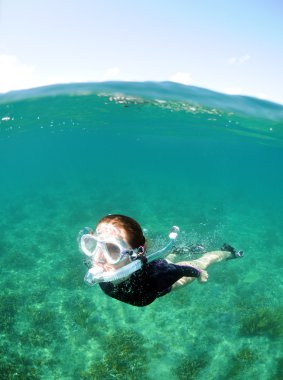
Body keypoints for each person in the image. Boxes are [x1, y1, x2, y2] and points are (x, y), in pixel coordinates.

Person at [79, 214, 243, 307]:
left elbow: (184, 270)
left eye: (112, 249)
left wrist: (199, 272)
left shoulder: (157, 277)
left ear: (136, 255)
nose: (98, 258)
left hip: (162, 280)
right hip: (150, 266)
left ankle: (229, 253)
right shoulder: (103, 274)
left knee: (204, 261)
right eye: (93, 245)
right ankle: (176, 251)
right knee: (165, 260)